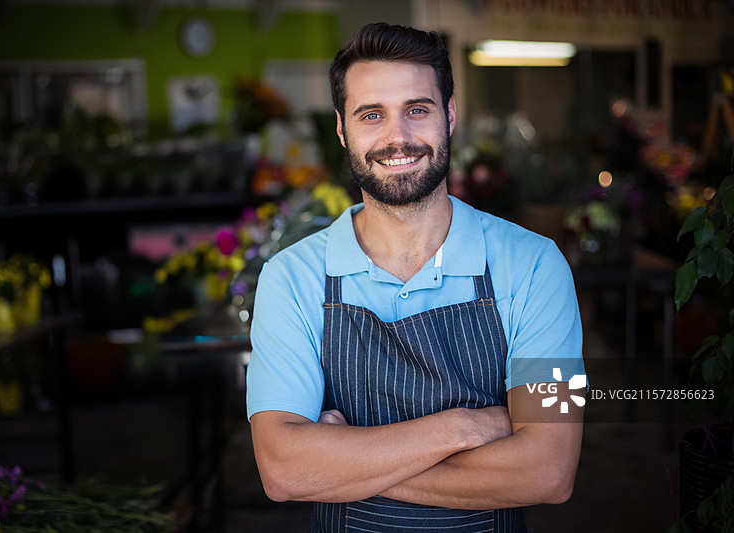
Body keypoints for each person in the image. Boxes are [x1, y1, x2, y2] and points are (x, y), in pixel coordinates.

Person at [246, 22, 585, 532]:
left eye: (417, 110)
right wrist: (463, 427)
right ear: (342, 130)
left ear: (449, 115)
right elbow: (282, 471)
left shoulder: (538, 266)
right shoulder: (290, 279)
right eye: (371, 115)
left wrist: (340, 460)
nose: (397, 137)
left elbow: (550, 471)